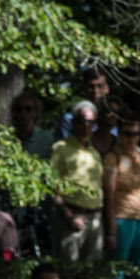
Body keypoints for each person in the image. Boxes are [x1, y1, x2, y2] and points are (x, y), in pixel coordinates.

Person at [49, 102, 109, 262]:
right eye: (81, 121)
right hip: (71, 218)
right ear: (73, 122)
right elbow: (51, 186)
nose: (86, 126)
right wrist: (68, 216)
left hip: (95, 220)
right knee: (68, 271)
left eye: (91, 123)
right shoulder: (60, 148)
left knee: (91, 274)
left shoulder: (95, 153)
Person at [103, 112, 140, 266]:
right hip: (123, 219)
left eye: (136, 134)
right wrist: (111, 231)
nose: (132, 138)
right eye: (127, 134)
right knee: (119, 267)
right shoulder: (112, 157)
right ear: (119, 134)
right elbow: (109, 194)